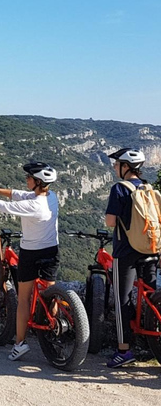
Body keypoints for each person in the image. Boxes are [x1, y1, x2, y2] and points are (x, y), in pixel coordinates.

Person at [0, 162, 59, 362]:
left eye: (29, 178)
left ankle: (19, 344)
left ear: (38, 182)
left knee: (24, 300)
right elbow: (19, 194)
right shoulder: (51, 198)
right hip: (52, 251)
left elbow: (0, 206)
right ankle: (55, 327)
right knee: (50, 295)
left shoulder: (33, 205)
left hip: (31, 254)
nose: (26, 180)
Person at [104, 148, 156, 368]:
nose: (115, 168)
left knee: (122, 299)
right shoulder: (149, 188)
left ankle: (124, 351)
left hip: (125, 252)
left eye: (117, 165)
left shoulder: (119, 189)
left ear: (126, 167)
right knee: (152, 296)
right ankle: (153, 342)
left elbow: (110, 222)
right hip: (151, 249)